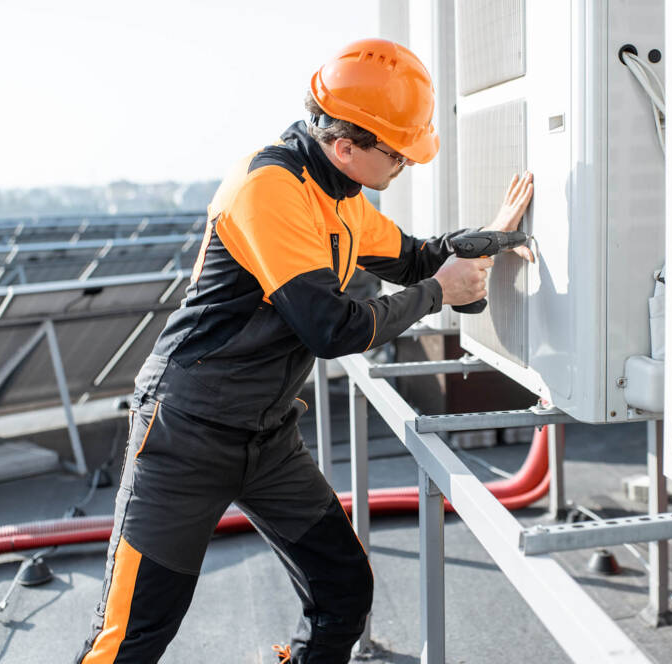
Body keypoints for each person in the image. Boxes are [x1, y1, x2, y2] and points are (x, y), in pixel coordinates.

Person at [75, 38, 533, 664]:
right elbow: (331, 329)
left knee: (342, 591)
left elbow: (414, 258)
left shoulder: (341, 195)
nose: (406, 165)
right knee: (132, 637)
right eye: (398, 154)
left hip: (266, 438)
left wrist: (484, 240)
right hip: (186, 435)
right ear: (346, 147)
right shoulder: (268, 188)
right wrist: (437, 294)